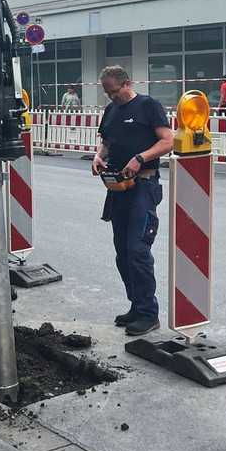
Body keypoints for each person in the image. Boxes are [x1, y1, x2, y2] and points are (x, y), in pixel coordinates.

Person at [92, 66, 174, 336]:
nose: (110, 97)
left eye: (113, 92)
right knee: (123, 253)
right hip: (117, 187)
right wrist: (98, 156)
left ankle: (149, 314)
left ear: (127, 83)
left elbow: (167, 141)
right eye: (107, 93)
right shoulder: (111, 111)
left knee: (138, 250)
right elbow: (106, 142)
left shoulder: (148, 105)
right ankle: (137, 307)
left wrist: (140, 158)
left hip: (143, 186)